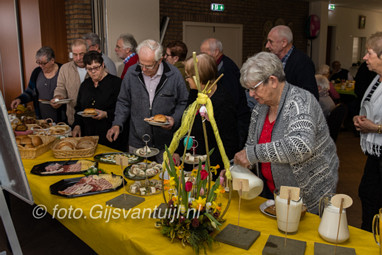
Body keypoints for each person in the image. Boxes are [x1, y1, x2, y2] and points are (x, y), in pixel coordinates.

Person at [234, 52, 338, 214]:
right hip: (272, 193)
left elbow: (301, 146)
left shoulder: (301, 102)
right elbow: (250, 147)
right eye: (248, 90)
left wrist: (252, 154)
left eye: (254, 88)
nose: (251, 95)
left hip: (308, 194)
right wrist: (235, 168)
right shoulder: (260, 108)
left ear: (273, 81)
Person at [106, 39, 189, 161]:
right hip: (138, 142)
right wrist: (117, 124)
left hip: (166, 143)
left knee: (164, 179)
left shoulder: (174, 75)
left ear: (160, 60)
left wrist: (174, 119)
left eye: (148, 66)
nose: (143, 69)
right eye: (141, 64)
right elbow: (123, 102)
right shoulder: (132, 72)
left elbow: (183, 102)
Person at [173, 53, 240, 177]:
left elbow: (229, 143)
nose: (186, 79)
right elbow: (186, 125)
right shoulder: (195, 93)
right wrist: (177, 151)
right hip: (189, 161)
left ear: (199, 78)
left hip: (211, 168)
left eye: (188, 76)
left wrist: (207, 165)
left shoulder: (223, 101)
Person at [353, 31, 382, 232]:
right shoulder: (377, 79)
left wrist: (376, 128)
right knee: (367, 195)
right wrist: (360, 118)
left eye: (369, 53)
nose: (364, 58)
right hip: (375, 155)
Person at [200, 38, 250, 149]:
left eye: (204, 53)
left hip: (235, 123)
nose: (201, 56)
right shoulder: (216, 66)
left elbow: (232, 100)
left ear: (216, 52)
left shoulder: (227, 69)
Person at [72, 51, 123, 150]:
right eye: (89, 69)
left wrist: (106, 114)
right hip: (88, 136)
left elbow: (122, 109)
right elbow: (79, 108)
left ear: (103, 65)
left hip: (109, 135)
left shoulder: (116, 84)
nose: (93, 71)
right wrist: (77, 125)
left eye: (96, 68)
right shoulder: (85, 85)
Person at [11, 46, 66, 123]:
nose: (41, 66)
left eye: (44, 63)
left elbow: (70, 92)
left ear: (52, 60)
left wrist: (60, 100)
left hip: (63, 119)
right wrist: (19, 99)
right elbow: (30, 92)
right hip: (42, 120)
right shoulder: (36, 72)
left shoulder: (64, 70)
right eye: (38, 63)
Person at [266, 25, 319, 100]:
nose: (267, 45)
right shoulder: (273, 61)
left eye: (270, 41)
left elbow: (310, 96)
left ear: (284, 43)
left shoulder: (302, 62)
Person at [51, 39, 88, 125]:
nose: (78, 58)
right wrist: (58, 98)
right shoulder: (65, 68)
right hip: (72, 118)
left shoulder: (96, 68)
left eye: (82, 54)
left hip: (94, 119)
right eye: (75, 55)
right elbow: (60, 88)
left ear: (88, 52)